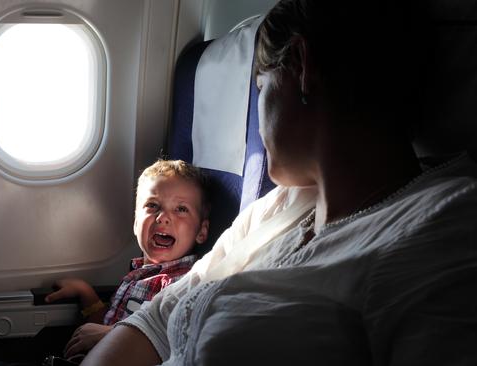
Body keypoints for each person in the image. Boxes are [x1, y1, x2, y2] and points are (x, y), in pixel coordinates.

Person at [81, 1, 477, 365]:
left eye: (260, 87)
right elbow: (160, 315)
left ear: (302, 67)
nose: (257, 113)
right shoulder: (278, 206)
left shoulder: (445, 225)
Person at [44, 159, 210, 362]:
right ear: (135, 222)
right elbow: (103, 326)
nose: (163, 217)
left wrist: (110, 335)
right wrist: (87, 295)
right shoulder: (141, 274)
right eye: (152, 205)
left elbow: (174, 339)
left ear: (201, 232)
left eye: (181, 209)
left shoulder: (183, 283)